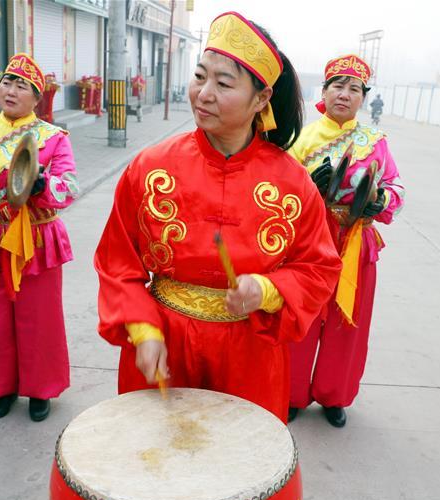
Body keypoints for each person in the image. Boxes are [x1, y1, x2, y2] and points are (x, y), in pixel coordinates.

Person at [94, 12, 340, 425]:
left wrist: (267, 289)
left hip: (250, 351)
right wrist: (143, 330)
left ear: (261, 100)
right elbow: (118, 262)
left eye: (223, 84)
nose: (203, 93)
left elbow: (318, 268)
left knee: (242, 470)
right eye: (199, 76)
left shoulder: (292, 183)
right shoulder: (151, 167)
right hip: (166, 344)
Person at [0, 53, 79, 421]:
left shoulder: (52, 138)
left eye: (21, 85)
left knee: (38, 318)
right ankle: (1, 387)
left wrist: (41, 185)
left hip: (35, 239)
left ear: (36, 97)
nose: (11, 90)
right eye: (7, 82)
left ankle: (41, 389)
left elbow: (69, 187)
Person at [286, 55, 405, 428]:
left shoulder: (376, 143)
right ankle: (291, 393)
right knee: (301, 320)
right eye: (338, 85)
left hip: (355, 242)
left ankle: (334, 395)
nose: (345, 94)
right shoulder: (300, 139)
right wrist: (308, 188)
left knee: (346, 322)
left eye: (354, 88)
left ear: (364, 98)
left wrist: (381, 200)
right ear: (323, 91)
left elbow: (395, 187)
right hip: (308, 242)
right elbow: (277, 192)